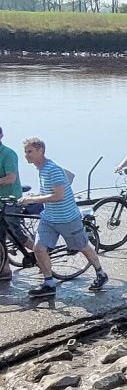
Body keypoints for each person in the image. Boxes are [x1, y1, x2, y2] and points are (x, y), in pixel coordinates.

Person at [19, 137, 108, 299]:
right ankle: (49, 284)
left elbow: (59, 195)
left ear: (41, 151)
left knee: (82, 246)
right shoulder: (40, 168)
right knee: (39, 248)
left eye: (30, 151)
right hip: (49, 218)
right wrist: (35, 195)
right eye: (25, 152)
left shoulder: (52, 169)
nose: (26, 155)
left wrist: (33, 200)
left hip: (67, 218)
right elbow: (49, 192)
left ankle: (100, 273)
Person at [0, 125, 25, 282]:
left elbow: (11, 178)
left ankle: (40, 252)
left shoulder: (8, 154)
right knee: (0, 236)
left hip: (10, 199)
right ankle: (5, 269)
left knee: (15, 235)